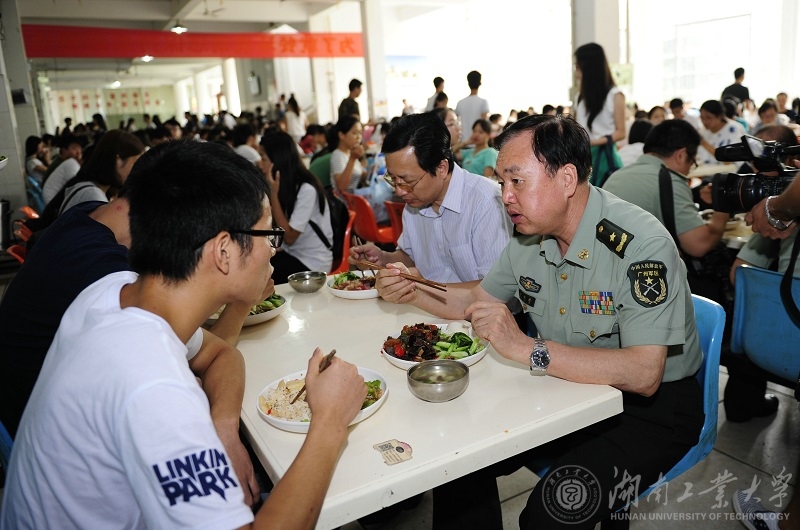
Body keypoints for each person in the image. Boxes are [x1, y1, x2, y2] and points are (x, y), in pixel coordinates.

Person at [0, 139, 367, 529]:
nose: (273, 251)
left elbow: (221, 354)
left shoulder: (116, 292)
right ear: (224, 251)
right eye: (266, 235)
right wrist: (330, 422)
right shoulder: (153, 384)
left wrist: (223, 427)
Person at [375, 114, 704, 529]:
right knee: (458, 460)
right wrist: (412, 288)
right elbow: (477, 301)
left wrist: (527, 348)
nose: (505, 197)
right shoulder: (530, 236)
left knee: (550, 514)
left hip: (651, 409)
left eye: (517, 182)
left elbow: (643, 373)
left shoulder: (640, 245)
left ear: (566, 179)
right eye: (500, 183)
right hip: (566, 387)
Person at [350, 112, 511, 285]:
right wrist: (383, 258)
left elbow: (494, 290)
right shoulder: (414, 203)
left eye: (408, 181)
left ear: (441, 168)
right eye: (393, 179)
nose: (400, 191)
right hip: (427, 308)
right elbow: (411, 257)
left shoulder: (485, 202)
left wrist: (424, 292)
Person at [261, 131, 334, 282]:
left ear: (277, 161)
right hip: (294, 253)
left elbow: (289, 237)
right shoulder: (287, 186)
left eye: (263, 158)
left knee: (261, 274)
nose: (260, 164)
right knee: (256, 264)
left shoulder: (306, 189)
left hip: (313, 261)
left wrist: (273, 194)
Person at [573, 42, 626, 186]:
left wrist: (594, 142)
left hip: (605, 158)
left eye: (577, 67)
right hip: (583, 158)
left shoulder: (615, 95)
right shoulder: (579, 97)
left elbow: (621, 132)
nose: (576, 73)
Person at [697, 99, 747, 165]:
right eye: (702, 118)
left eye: (709, 118)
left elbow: (728, 160)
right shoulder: (703, 131)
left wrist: (704, 143)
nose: (704, 121)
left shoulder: (734, 129)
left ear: (720, 116)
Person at [42, 133, 84, 204]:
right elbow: (78, 186)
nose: (78, 152)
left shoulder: (59, 160)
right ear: (64, 150)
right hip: (53, 203)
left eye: (79, 148)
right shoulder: (67, 164)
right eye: (74, 148)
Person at [329, 114, 366, 193]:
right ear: (341, 135)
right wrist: (352, 159)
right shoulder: (338, 155)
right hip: (346, 203)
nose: (359, 137)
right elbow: (341, 187)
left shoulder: (350, 153)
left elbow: (361, 175)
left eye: (360, 133)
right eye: (354, 133)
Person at [455, 70, 489, 143]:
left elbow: (456, 124)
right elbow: (485, 126)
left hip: (463, 144)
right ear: (480, 83)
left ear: (468, 83)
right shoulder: (483, 102)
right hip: (477, 145)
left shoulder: (460, 103)